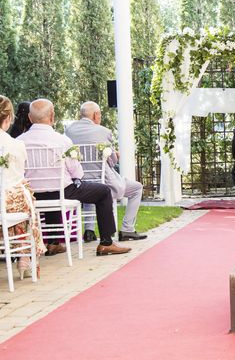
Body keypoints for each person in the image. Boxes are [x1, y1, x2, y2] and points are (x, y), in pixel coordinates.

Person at [18, 99, 130, 256]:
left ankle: (53, 243)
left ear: (30, 118)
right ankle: (106, 242)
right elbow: (77, 173)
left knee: (52, 190)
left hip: (33, 195)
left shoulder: (19, 142)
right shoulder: (62, 140)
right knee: (103, 191)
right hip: (63, 192)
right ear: (52, 116)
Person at [65, 101, 146, 242]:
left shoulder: (68, 131)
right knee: (137, 188)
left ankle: (89, 231)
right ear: (96, 115)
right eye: (100, 114)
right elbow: (112, 161)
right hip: (103, 182)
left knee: (90, 183)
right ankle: (127, 229)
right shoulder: (104, 131)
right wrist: (116, 155)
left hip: (79, 183)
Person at [0, 96, 45, 279]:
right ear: (9, 117)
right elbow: (19, 176)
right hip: (9, 203)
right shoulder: (16, 144)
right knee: (23, 195)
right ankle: (25, 258)